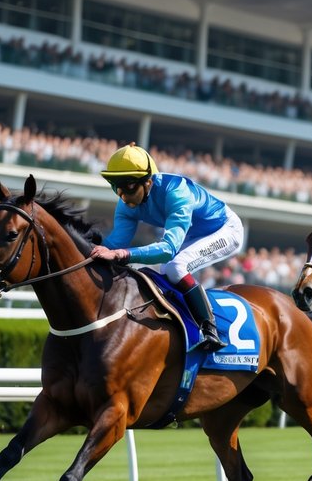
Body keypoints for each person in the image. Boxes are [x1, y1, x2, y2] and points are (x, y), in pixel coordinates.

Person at [91, 143, 244, 351]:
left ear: (148, 181)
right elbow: (115, 244)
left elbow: (167, 249)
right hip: (193, 233)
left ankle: (210, 330)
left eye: (128, 186)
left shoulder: (176, 192)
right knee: (165, 271)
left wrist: (123, 254)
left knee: (175, 267)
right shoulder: (126, 204)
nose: (123, 196)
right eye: (115, 186)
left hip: (225, 229)